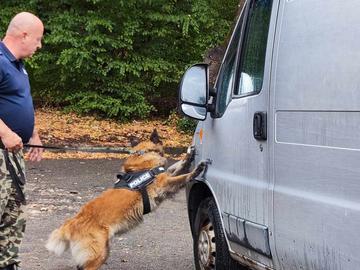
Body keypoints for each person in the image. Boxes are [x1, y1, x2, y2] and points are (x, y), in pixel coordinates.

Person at [0, 12, 44, 270]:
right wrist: (4, 132)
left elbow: (20, 100)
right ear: (24, 34)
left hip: (13, 157)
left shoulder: (18, 65)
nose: (39, 46)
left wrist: (33, 133)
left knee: (13, 216)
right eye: (37, 39)